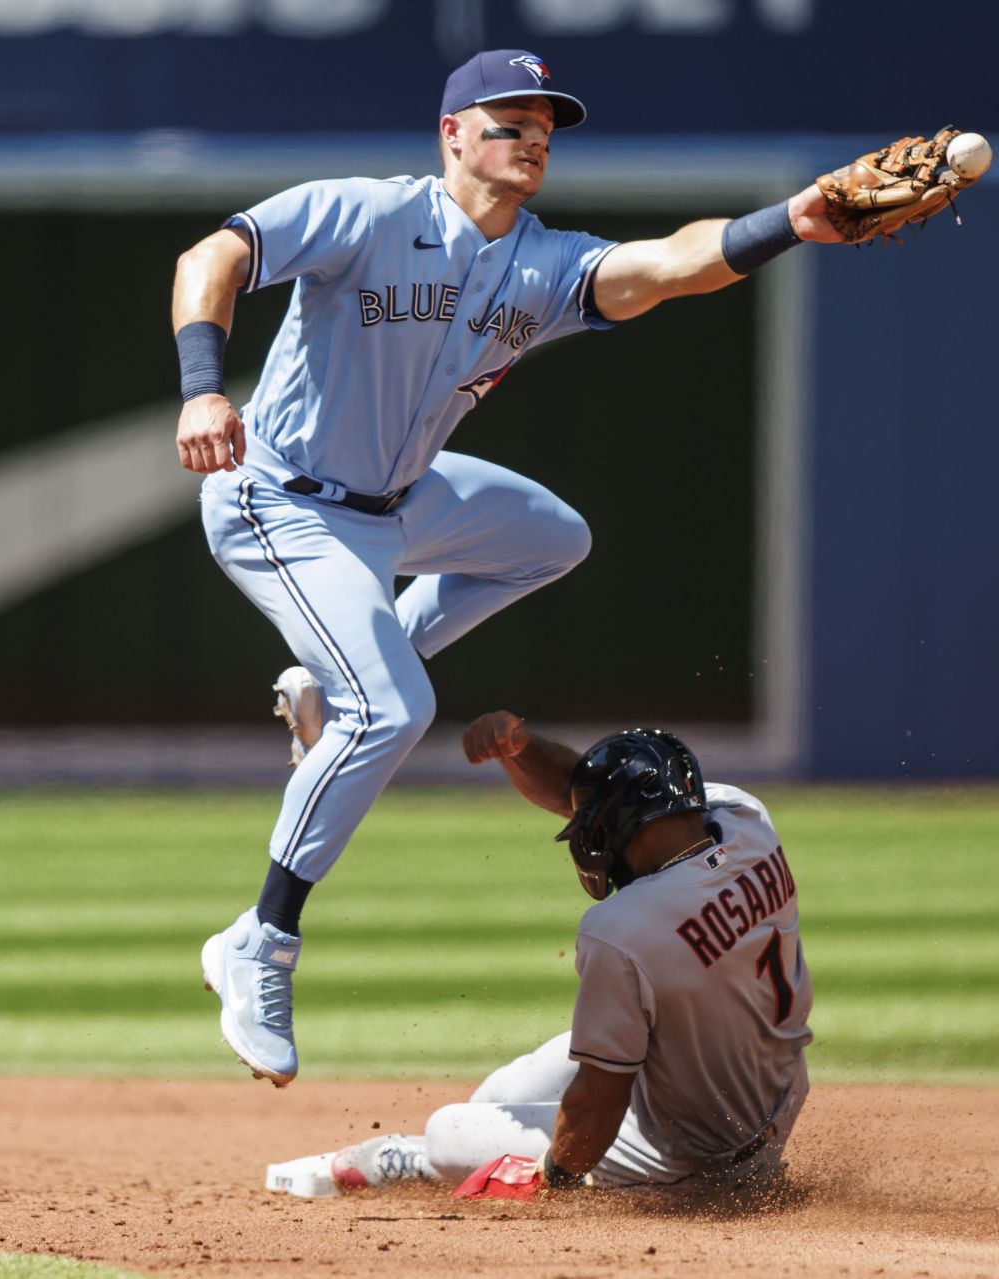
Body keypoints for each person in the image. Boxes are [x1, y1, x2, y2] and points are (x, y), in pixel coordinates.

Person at [177, 48, 843, 1086]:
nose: (530, 137)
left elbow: (674, 263)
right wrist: (202, 387)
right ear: (451, 135)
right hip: (280, 499)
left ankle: (332, 674)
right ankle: (258, 940)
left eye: (543, 125)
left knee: (552, 537)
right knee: (392, 712)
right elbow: (209, 257)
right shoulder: (363, 213)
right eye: (506, 121)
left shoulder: (540, 263)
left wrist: (794, 220)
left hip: (397, 505)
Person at [274, 711, 813, 1197]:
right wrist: (522, 747)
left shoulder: (624, 928)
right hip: (773, 1096)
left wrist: (552, 1180)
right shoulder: (745, 818)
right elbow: (603, 796)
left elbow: (599, 1103)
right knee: (508, 1091)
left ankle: (414, 1160)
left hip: (697, 1155)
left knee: (446, 1132)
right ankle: (473, 1151)